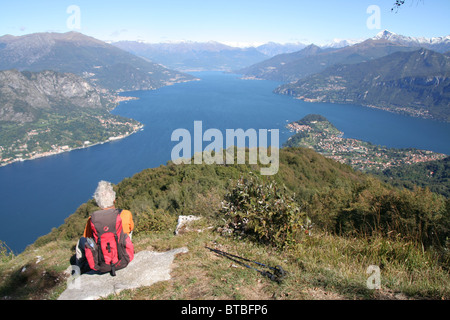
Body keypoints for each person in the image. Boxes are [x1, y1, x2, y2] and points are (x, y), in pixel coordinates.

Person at [75, 180, 134, 273]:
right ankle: (126, 252)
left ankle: (80, 269)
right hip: (123, 258)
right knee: (128, 232)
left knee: (81, 241)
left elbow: (87, 238)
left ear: (98, 203)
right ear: (114, 200)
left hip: (102, 263)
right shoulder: (126, 214)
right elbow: (130, 230)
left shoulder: (92, 219)